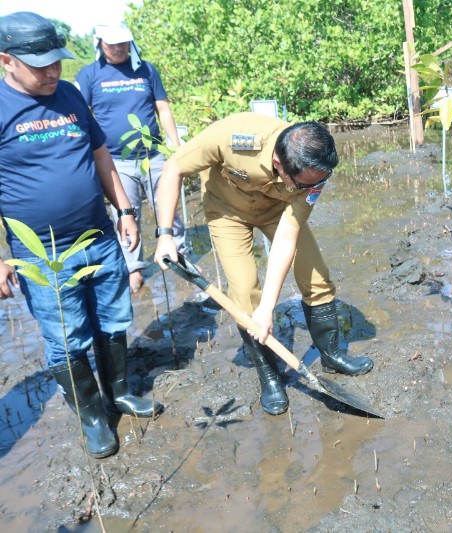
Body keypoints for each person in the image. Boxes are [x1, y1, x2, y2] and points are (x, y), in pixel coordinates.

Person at [0, 12, 163, 459]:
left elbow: (101, 157)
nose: (53, 71)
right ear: (5, 61)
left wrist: (125, 210)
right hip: (43, 253)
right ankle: (93, 417)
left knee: (113, 321)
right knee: (67, 338)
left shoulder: (69, 93)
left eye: (56, 61)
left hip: (99, 237)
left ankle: (120, 393)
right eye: (40, 65)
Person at [154, 114, 374, 416]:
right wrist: (165, 235)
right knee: (244, 293)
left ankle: (332, 355)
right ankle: (270, 377)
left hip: (278, 213)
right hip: (227, 212)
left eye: (320, 179)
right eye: (305, 182)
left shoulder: (314, 173)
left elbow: (286, 238)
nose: (318, 184)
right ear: (278, 163)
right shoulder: (231, 138)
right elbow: (174, 167)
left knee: (317, 277)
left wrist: (269, 307)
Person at [75, 21, 186, 294]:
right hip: (115, 160)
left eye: (123, 42)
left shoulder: (145, 69)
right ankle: (134, 268)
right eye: (112, 43)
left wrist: (176, 146)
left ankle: (179, 257)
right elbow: (82, 116)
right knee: (126, 215)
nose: (118, 48)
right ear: (99, 43)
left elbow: (163, 108)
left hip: (154, 154)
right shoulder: (90, 74)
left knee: (167, 207)